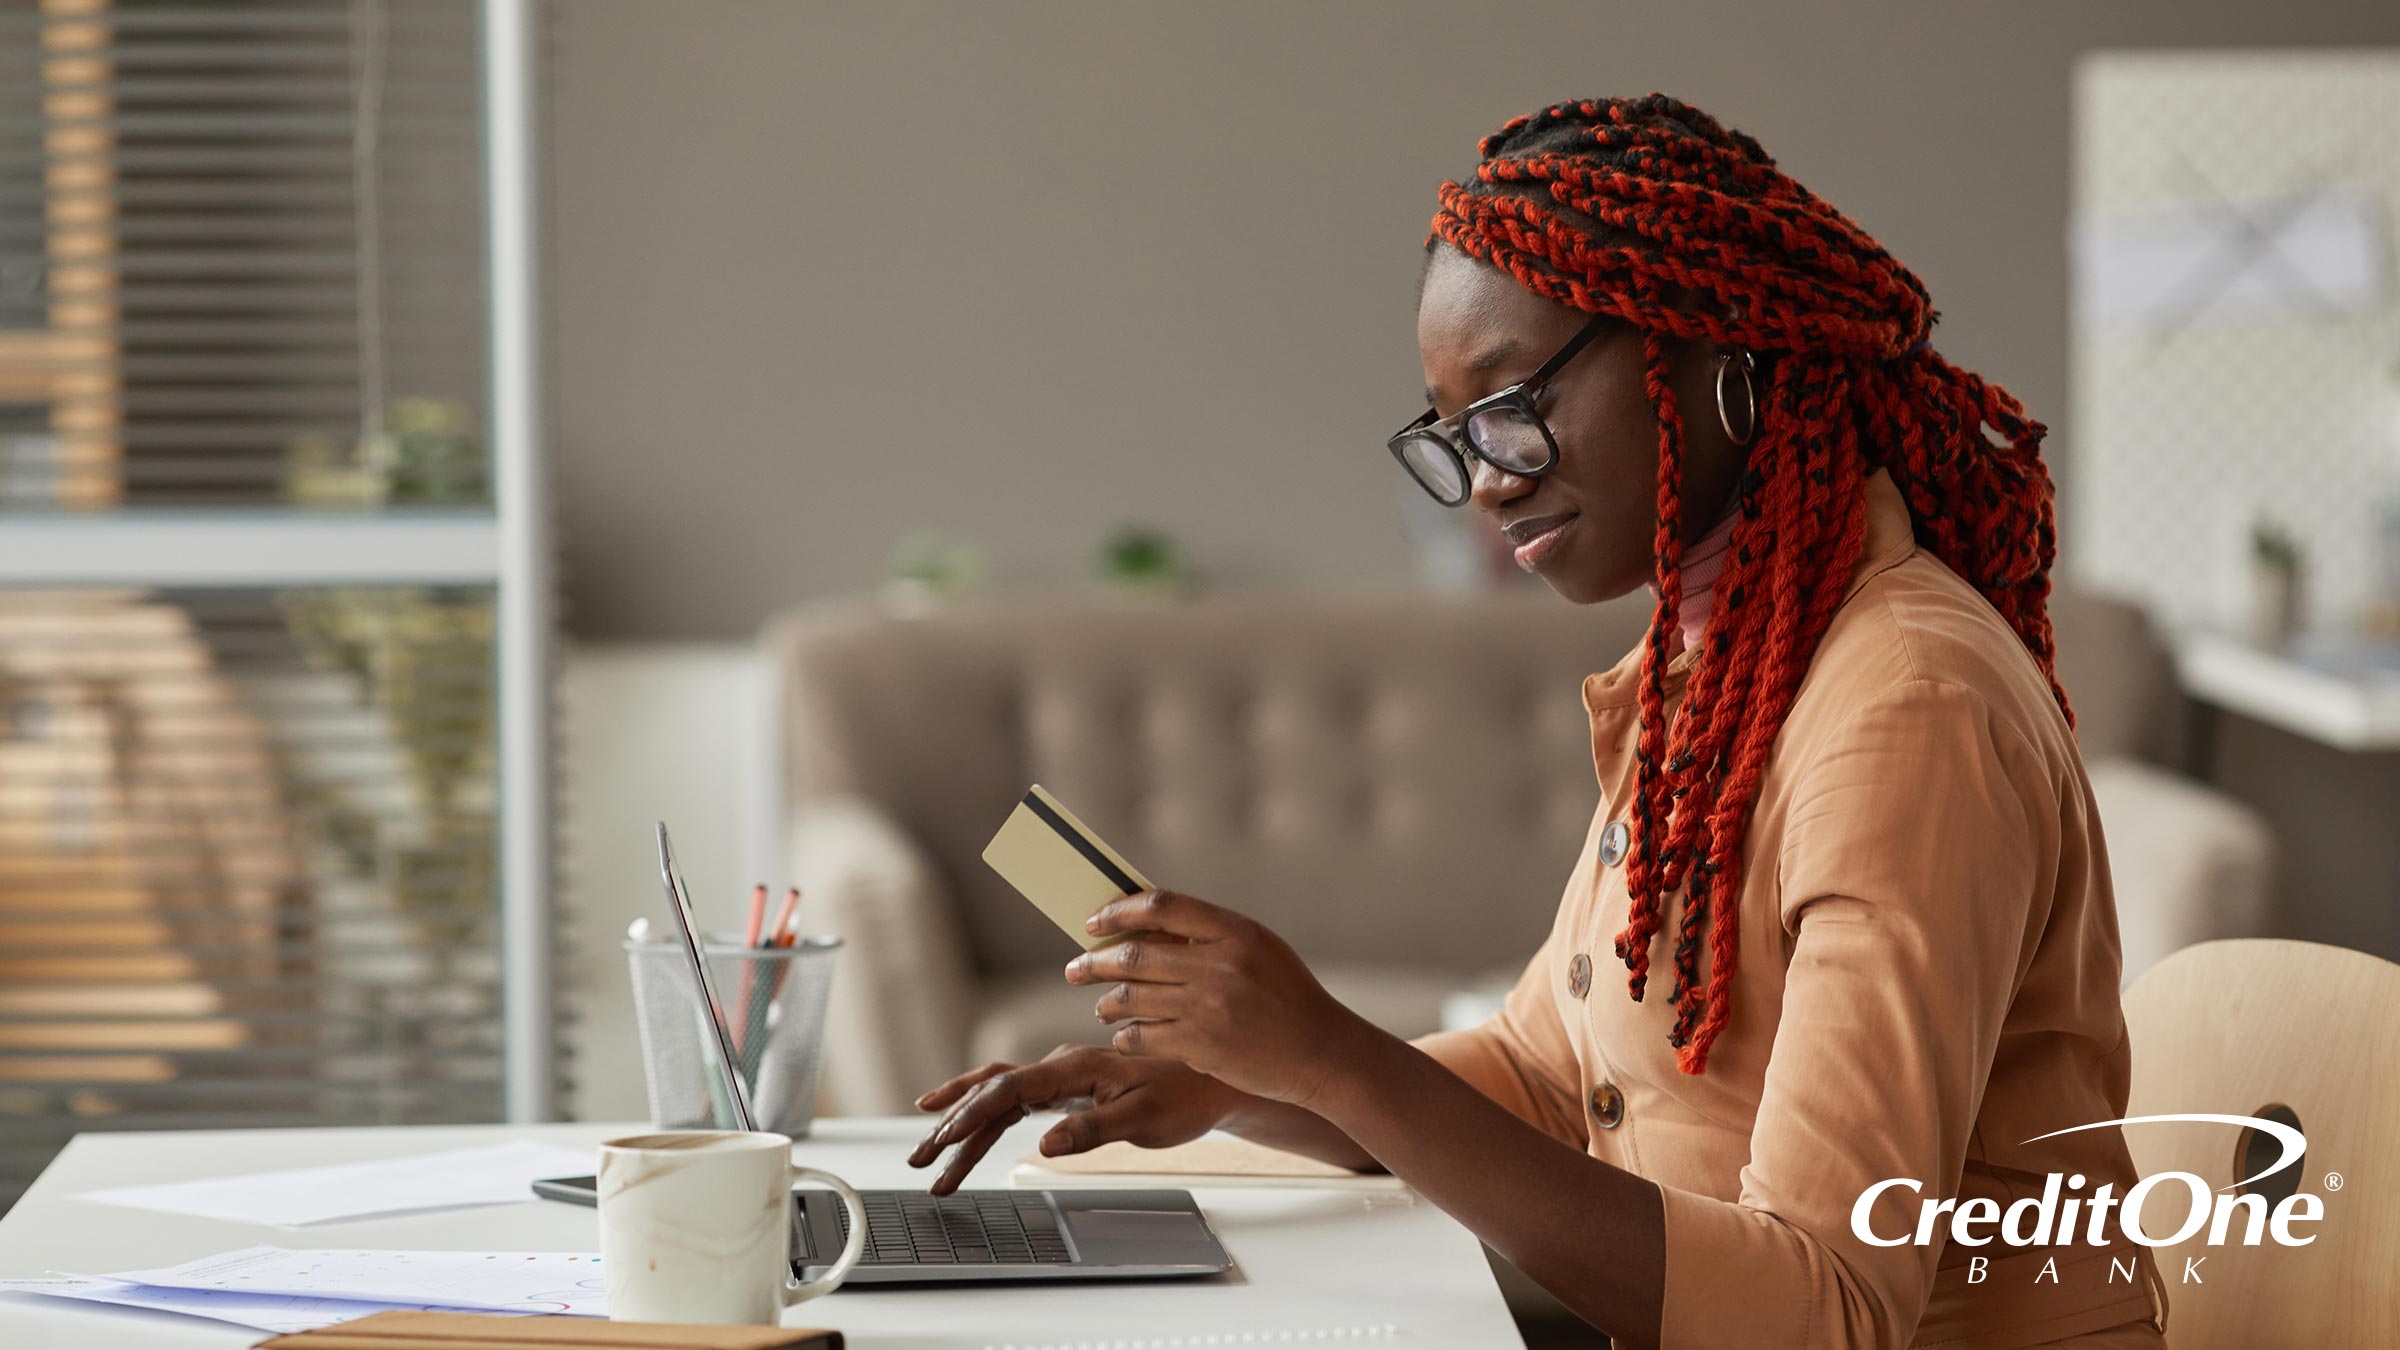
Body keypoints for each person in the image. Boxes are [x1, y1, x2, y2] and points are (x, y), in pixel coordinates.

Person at [907, 95, 2168, 1350]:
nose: (1489, 479)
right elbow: (1551, 1077)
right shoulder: (1713, 669)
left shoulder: (1907, 711)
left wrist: (1332, 1054)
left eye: (1516, 402)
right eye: (1455, 435)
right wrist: (1242, 1077)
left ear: (1714, 345)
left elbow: (1821, 1309)